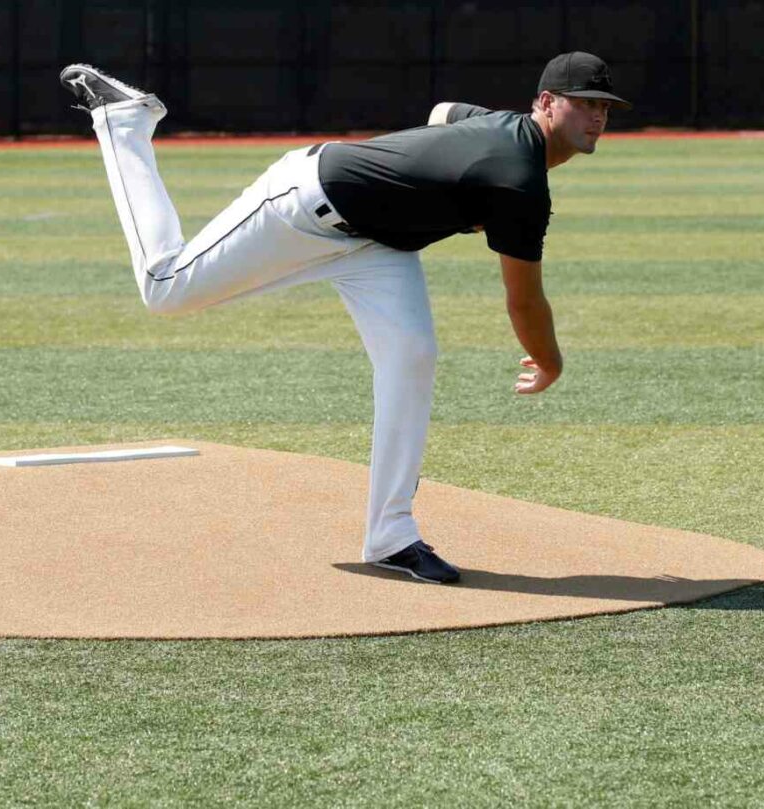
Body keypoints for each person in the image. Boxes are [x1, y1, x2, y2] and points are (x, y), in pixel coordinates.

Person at [60, 53, 630, 584]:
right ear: (547, 102)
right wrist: (549, 360)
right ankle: (125, 122)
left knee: (412, 357)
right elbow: (524, 300)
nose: (597, 116)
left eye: (604, 107)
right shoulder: (519, 179)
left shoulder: (501, 131)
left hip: (379, 246)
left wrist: (426, 181)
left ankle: (391, 537)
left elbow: (443, 114)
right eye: (584, 103)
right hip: (302, 206)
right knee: (165, 289)